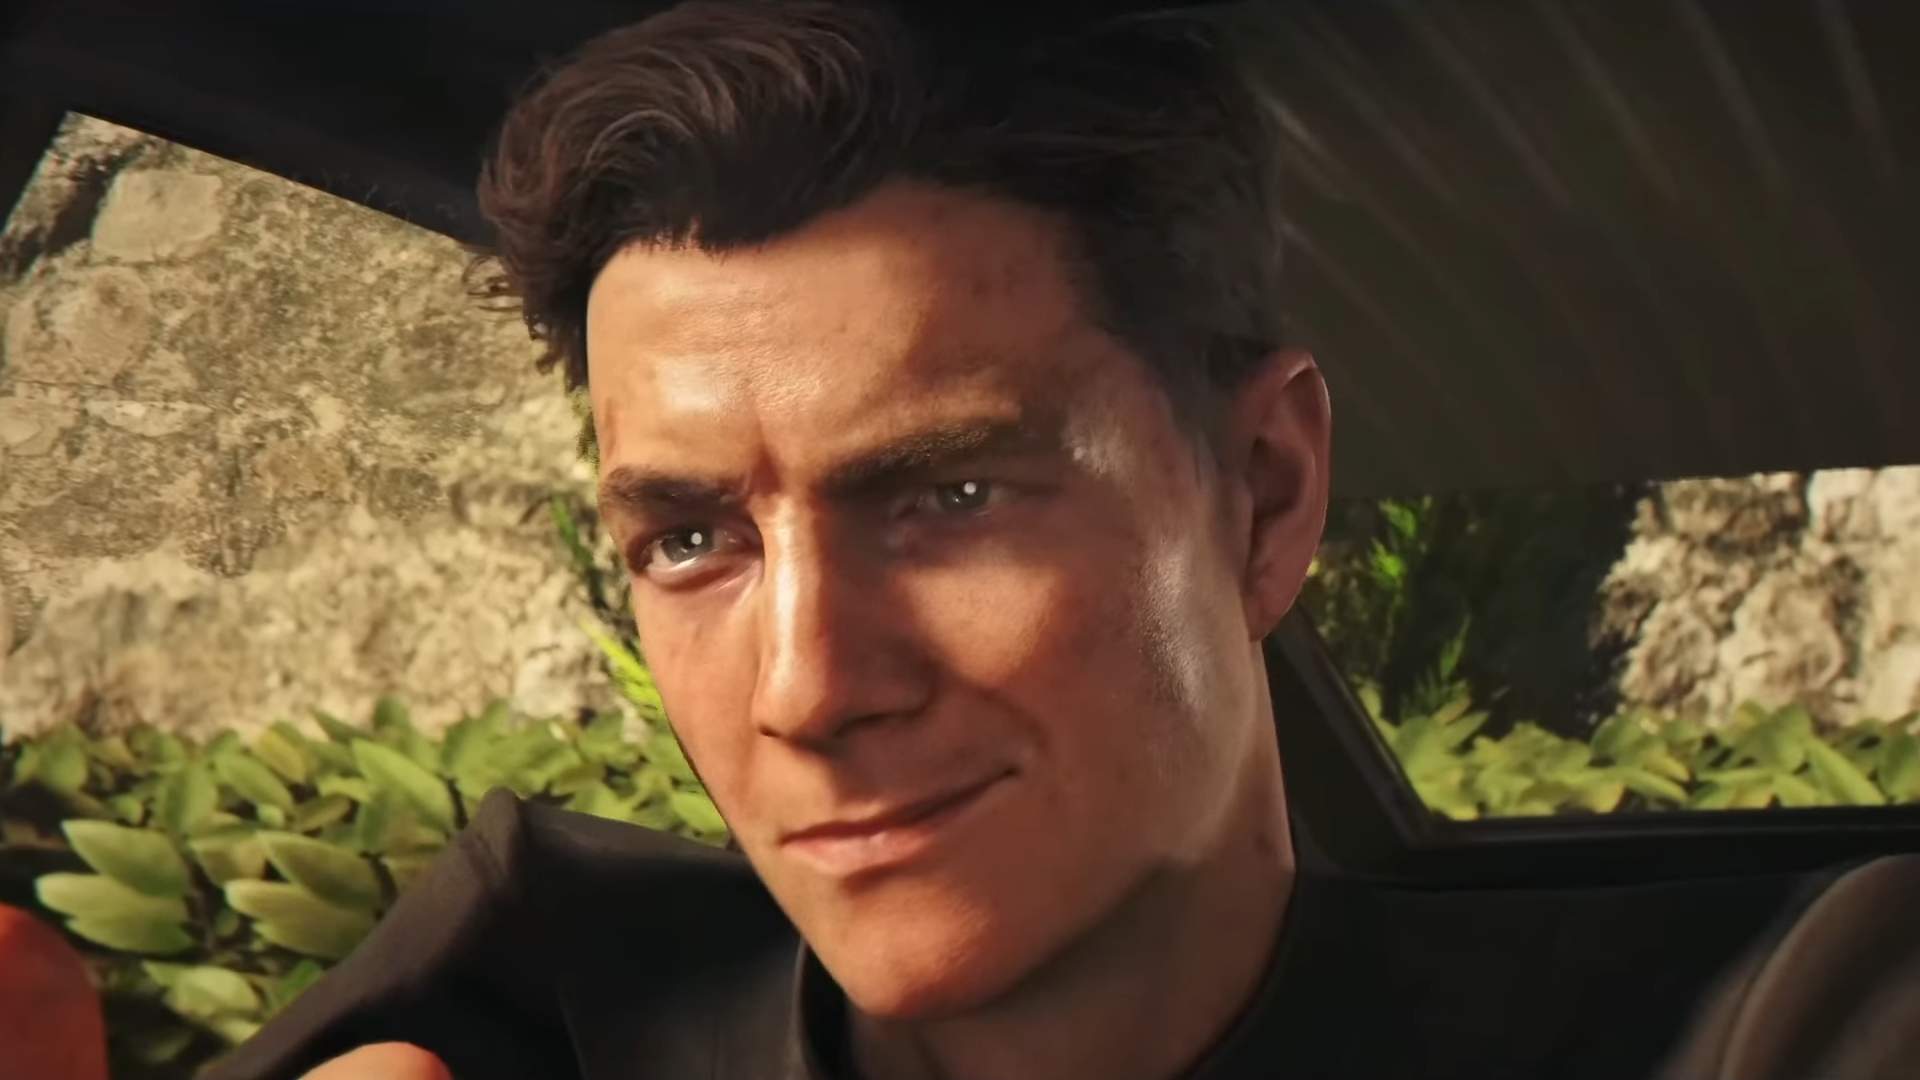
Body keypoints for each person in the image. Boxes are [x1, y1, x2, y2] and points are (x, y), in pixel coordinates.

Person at [200, 2, 1901, 1078]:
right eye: (696, 537)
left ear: (1264, 494)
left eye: (947, 498)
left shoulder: (1784, 1023)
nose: (806, 688)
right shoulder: (540, 993)